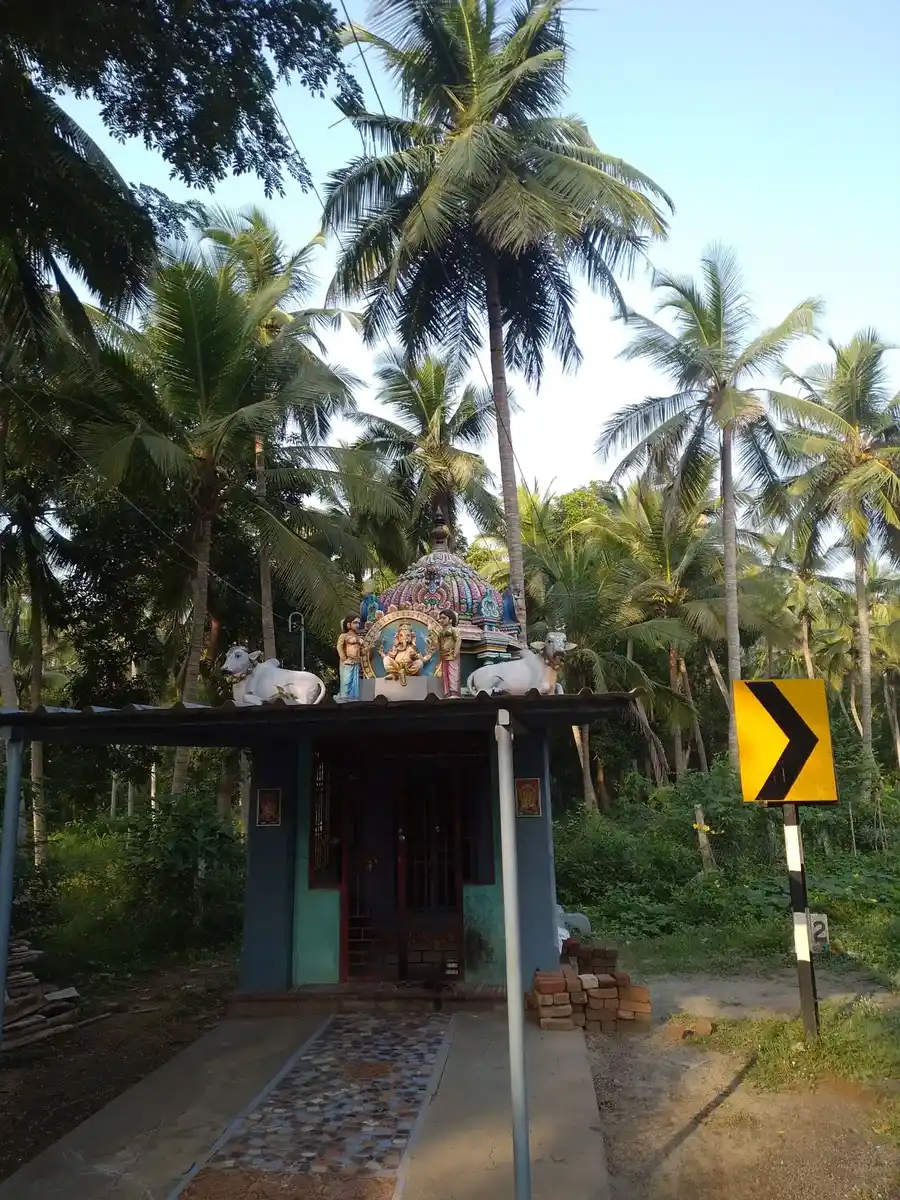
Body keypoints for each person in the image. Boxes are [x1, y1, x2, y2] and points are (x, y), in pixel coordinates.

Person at [436, 608, 462, 696]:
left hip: (452, 655)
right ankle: (447, 692)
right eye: (440, 618)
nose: (441, 620)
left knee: (453, 672)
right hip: (444, 655)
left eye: (444, 618)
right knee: (445, 673)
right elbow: (439, 643)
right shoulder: (441, 632)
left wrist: (455, 654)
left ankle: (454, 691)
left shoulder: (454, 630)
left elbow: (458, 641)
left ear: (450, 620)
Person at [337, 615, 362, 699]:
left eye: (358, 623)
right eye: (355, 623)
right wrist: (344, 659)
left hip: (356, 662)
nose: (357, 625)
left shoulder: (358, 637)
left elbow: (361, 651)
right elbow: (339, 647)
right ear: (348, 624)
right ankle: (344, 701)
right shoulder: (343, 636)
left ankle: (353, 702)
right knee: (346, 683)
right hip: (347, 663)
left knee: (355, 685)